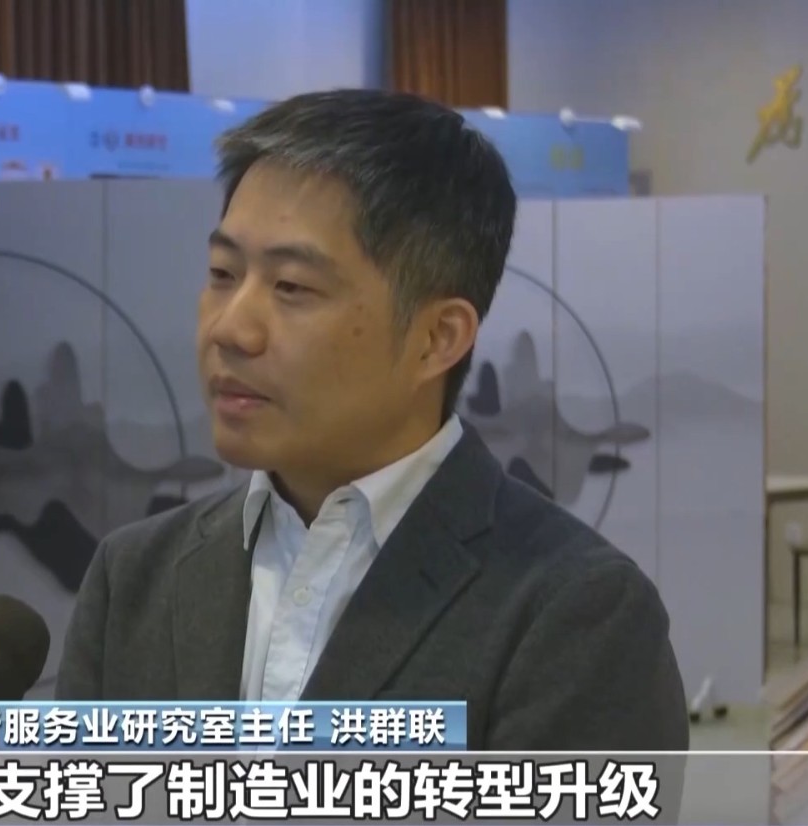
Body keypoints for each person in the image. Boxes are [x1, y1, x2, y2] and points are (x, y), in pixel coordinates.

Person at [56, 89, 690, 752]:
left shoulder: (575, 615)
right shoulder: (134, 579)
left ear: (437, 338)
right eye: (222, 273)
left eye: (292, 287)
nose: (230, 328)